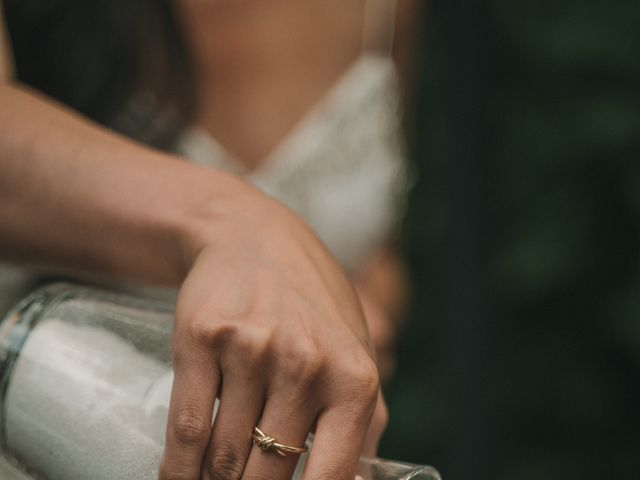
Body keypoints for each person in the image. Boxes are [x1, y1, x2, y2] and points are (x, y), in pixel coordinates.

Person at [0, 1, 418, 478]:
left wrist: (355, 320)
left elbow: (382, 251)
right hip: (43, 422)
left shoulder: (386, 13)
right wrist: (231, 221)